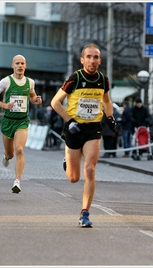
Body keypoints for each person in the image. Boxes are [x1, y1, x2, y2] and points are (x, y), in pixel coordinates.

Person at [50, 43, 116, 227]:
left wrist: (110, 118)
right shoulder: (74, 78)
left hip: (93, 128)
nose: (92, 60)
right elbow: (55, 102)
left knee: (90, 169)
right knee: (73, 178)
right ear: (82, 60)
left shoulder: (103, 80)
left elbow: (107, 101)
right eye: (89, 57)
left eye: (96, 57)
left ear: (100, 61)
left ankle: (85, 212)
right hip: (74, 128)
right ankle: (67, 160)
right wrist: (69, 121)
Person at [0, 54, 42, 193]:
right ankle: (6, 156)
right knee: (11, 154)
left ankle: (17, 182)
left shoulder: (30, 82)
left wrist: (35, 100)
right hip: (8, 121)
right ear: (12, 65)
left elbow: (31, 96)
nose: (20, 66)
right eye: (17, 63)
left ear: (25, 66)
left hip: (22, 121)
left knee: (20, 150)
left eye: (22, 63)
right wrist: (4, 105)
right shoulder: (5, 81)